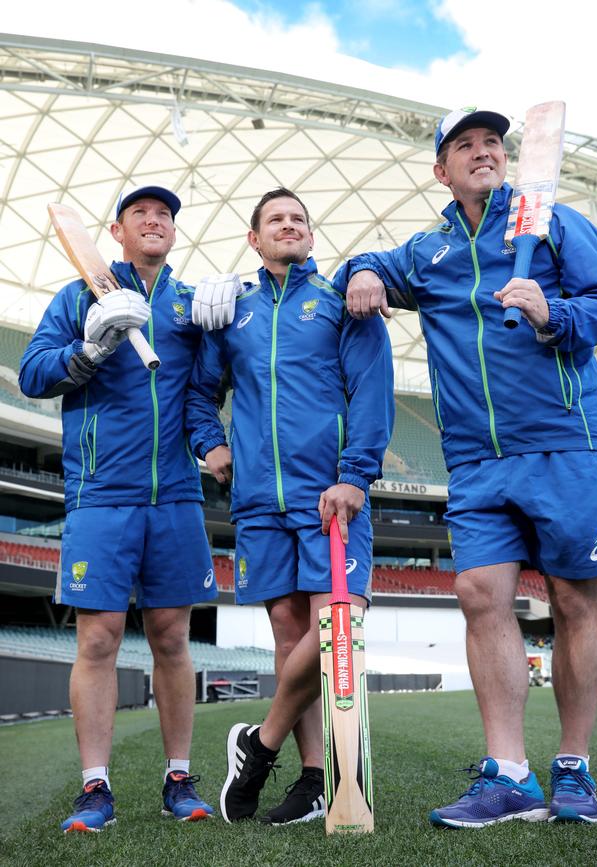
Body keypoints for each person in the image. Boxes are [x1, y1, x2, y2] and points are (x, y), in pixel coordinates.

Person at [334, 107, 597, 827]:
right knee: (477, 593)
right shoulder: (429, 250)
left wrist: (554, 312)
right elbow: (362, 264)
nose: (482, 152)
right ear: (442, 169)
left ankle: (573, 767)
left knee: (573, 603)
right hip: (474, 459)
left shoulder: (550, 220)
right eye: (464, 145)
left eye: (492, 142)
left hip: (565, 441)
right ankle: (510, 773)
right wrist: (366, 270)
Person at [19, 185, 228, 832]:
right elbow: (32, 373)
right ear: (116, 230)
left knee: (171, 637)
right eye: (141, 212)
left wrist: (212, 445)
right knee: (100, 637)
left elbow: (202, 392)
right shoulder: (77, 296)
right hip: (101, 495)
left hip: (174, 496)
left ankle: (179, 777)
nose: (155, 219)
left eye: (165, 213)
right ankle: (95, 786)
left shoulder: (191, 305)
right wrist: (88, 351)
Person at [185, 187, 394, 825]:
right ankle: (311, 780)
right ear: (254, 239)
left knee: (335, 625)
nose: (289, 225)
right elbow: (200, 393)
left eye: (299, 218)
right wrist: (212, 445)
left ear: (310, 235)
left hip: (330, 497)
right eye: (275, 219)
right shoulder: (233, 313)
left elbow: (372, 392)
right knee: (288, 634)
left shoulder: (339, 303)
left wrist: (355, 477)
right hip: (257, 503)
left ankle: (261, 742)